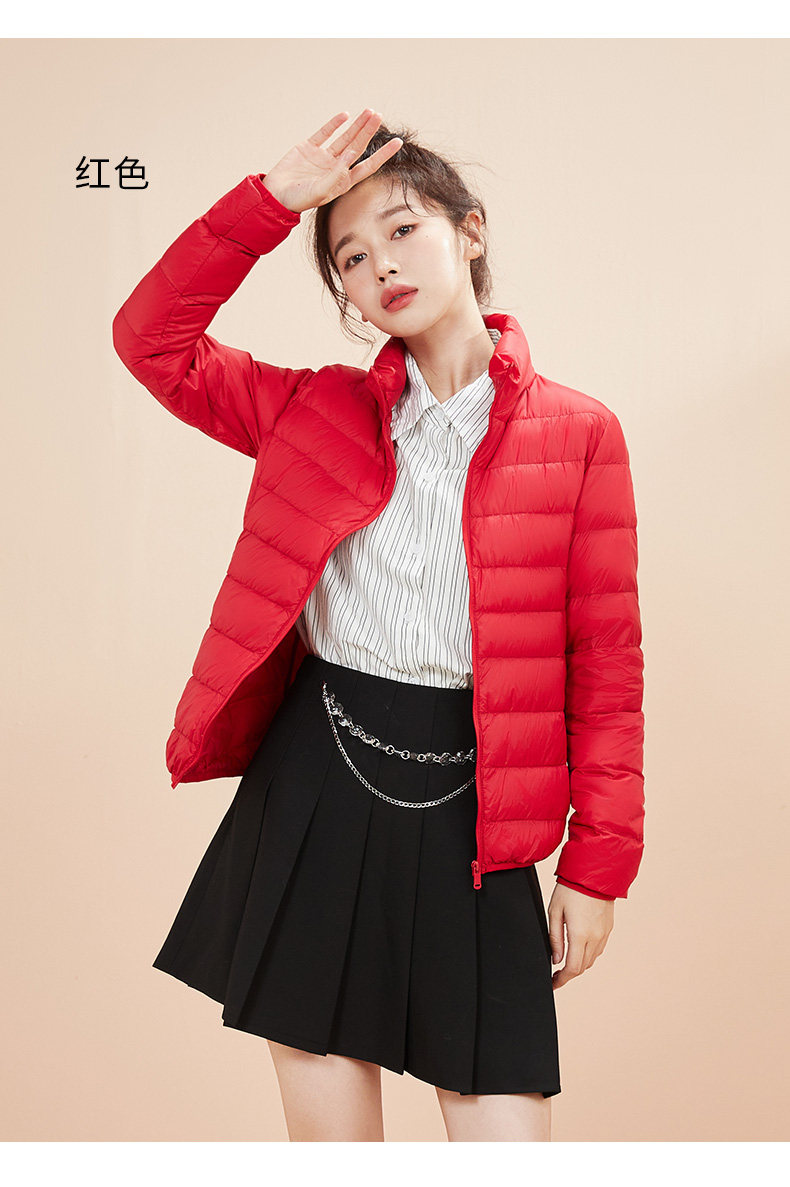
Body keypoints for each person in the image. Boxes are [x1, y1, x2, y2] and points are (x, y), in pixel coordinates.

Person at [112, 108, 645, 1142]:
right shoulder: (310, 410)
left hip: (479, 812)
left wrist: (597, 864)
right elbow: (151, 340)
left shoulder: (579, 434)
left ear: (470, 231)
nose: (381, 265)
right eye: (351, 256)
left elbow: (607, 663)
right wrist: (272, 202)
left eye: (402, 230)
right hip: (315, 782)